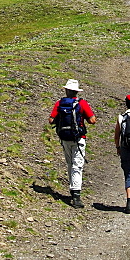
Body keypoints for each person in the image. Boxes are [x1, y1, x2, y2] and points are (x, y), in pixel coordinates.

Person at [49, 79, 97, 208]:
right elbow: (92, 120)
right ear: (76, 91)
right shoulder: (82, 103)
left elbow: (51, 120)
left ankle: (73, 190)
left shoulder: (59, 103)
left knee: (70, 164)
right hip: (78, 138)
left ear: (66, 90)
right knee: (78, 165)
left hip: (65, 138)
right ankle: (76, 196)